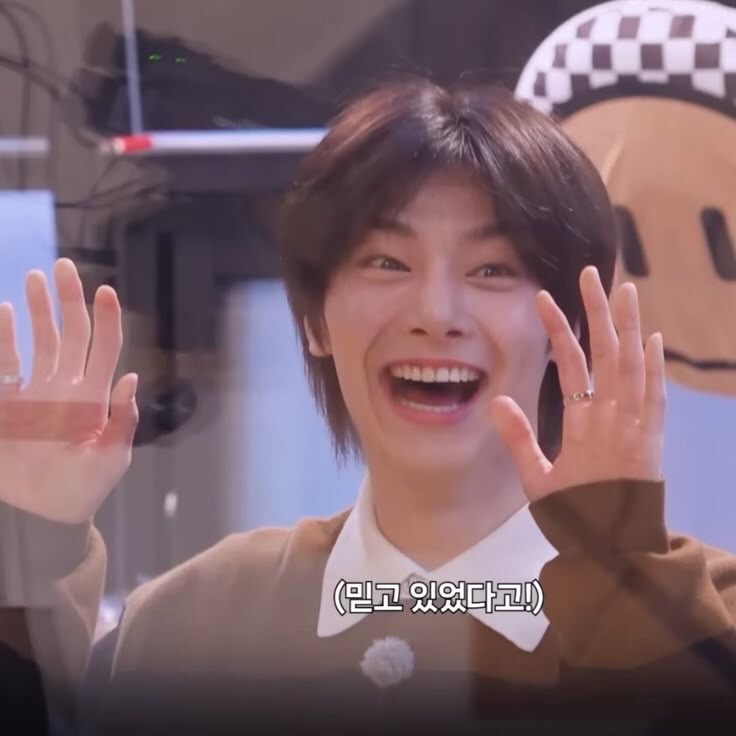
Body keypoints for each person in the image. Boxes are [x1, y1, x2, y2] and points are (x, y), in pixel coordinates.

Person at [1, 76, 735, 734]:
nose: (436, 313)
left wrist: (620, 574)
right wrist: (30, 542)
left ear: (569, 325)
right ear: (315, 320)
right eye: (387, 262)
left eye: (491, 269)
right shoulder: (191, 623)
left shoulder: (705, 608)